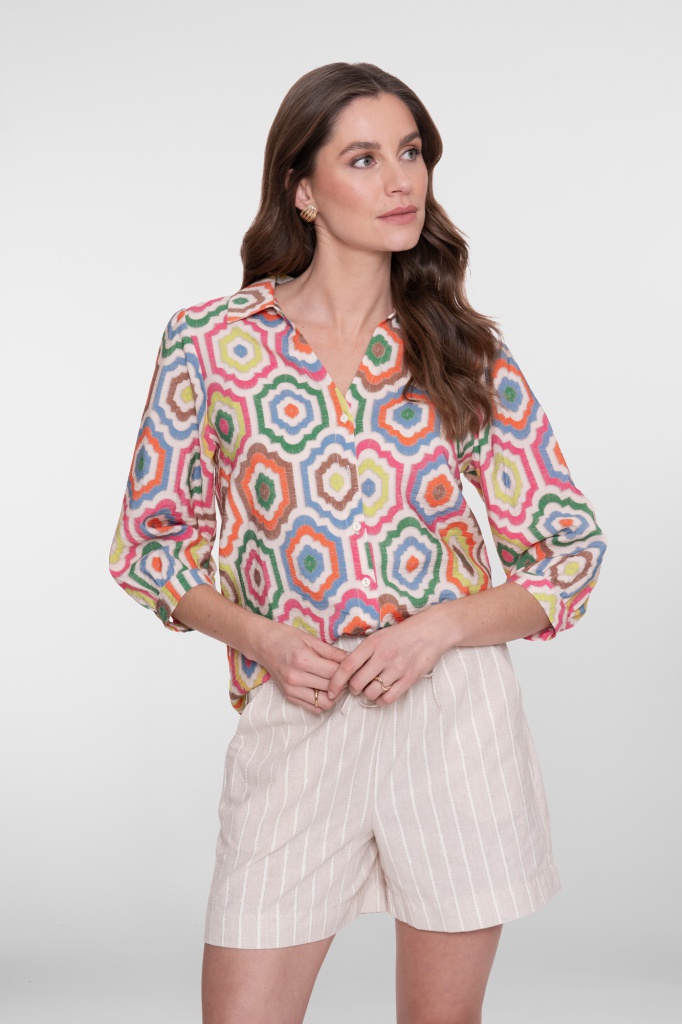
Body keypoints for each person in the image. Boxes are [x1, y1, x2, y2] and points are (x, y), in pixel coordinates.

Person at [110, 62, 606, 1024]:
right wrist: (263, 640)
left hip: (451, 715)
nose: (400, 180)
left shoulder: (462, 351)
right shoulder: (212, 342)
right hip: (301, 712)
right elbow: (149, 547)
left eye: (410, 153)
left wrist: (436, 631)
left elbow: (567, 551)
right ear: (302, 189)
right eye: (365, 158)